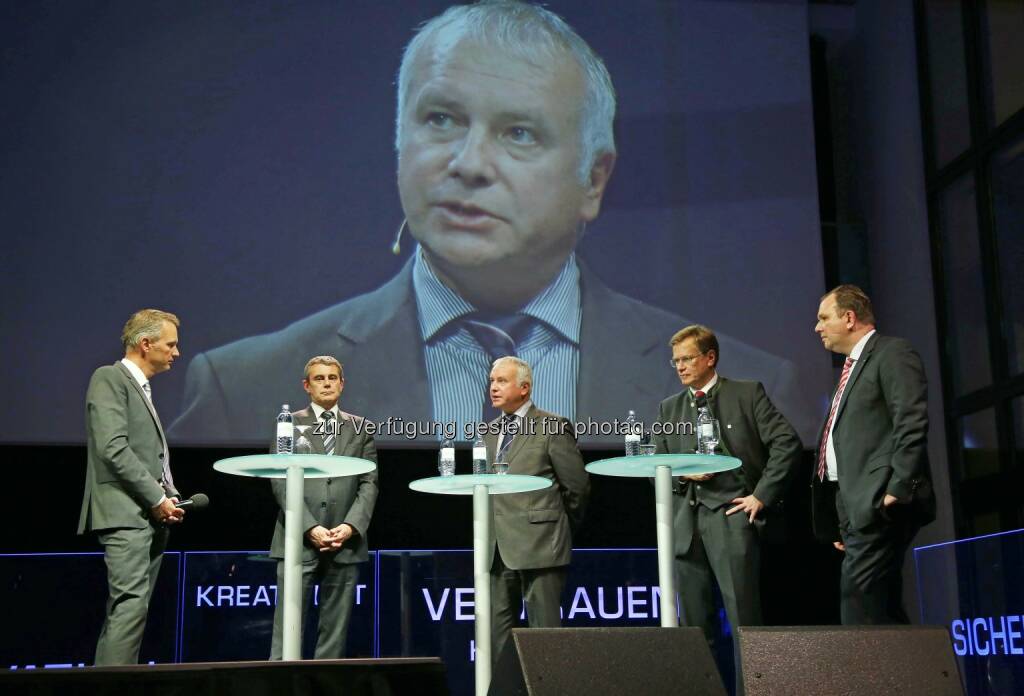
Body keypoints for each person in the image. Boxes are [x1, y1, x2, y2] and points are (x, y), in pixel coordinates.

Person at [169, 0, 802, 444]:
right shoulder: (241, 389)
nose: (468, 164)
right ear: (398, 142)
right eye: (440, 119)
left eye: (519, 132)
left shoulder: (758, 385)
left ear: (594, 180)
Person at [653, 325, 801, 693]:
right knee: (694, 630)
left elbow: (787, 443)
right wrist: (684, 476)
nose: (680, 367)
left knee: (743, 625)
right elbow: (655, 468)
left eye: (687, 359)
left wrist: (761, 495)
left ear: (710, 358)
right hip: (686, 526)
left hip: (732, 518)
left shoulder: (746, 393)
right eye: (676, 361)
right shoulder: (668, 408)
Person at [811, 285, 935, 625]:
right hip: (853, 504)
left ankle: (866, 679)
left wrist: (898, 488)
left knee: (859, 606)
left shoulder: (892, 353)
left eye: (824, 318)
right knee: (881, 607)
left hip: (880, 498)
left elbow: (910, 420)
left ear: (849, 318)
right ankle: (913, 676)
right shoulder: (852, 367)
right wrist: (842, 514)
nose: (817, 327)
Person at [78, 309, 184, 665]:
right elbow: (113, 448)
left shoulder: (140, 386)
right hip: (125, 515)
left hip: (147, 517)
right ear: (145, 343)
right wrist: (155, 496)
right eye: (170, 345)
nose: (176, 352)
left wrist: (167, 494)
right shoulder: (110, 378)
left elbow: (145, 453)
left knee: (132, 612)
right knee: (128, 609)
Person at [269, 356, 378, 659]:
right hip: (298, 540)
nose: (327, 383)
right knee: (286, 634)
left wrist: (350, 526)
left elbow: (369, 483)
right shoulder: (288, 424)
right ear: (307, 386)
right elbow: (280, 482)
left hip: (345, 542)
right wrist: (309, 527)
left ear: (342, 384)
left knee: (334, 640)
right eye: (319, 378)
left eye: (333, 377)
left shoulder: (361, 428)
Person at [482, 356, 589, 663]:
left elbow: (577, 487)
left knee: (546, 643)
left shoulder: (553, 426)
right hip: (497, 551)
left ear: (525, 388)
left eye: (502, 381)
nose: (493, 387)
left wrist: (557, 528)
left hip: (542, 546)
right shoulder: (489, 432)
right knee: (497, 645)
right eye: (492, 381)